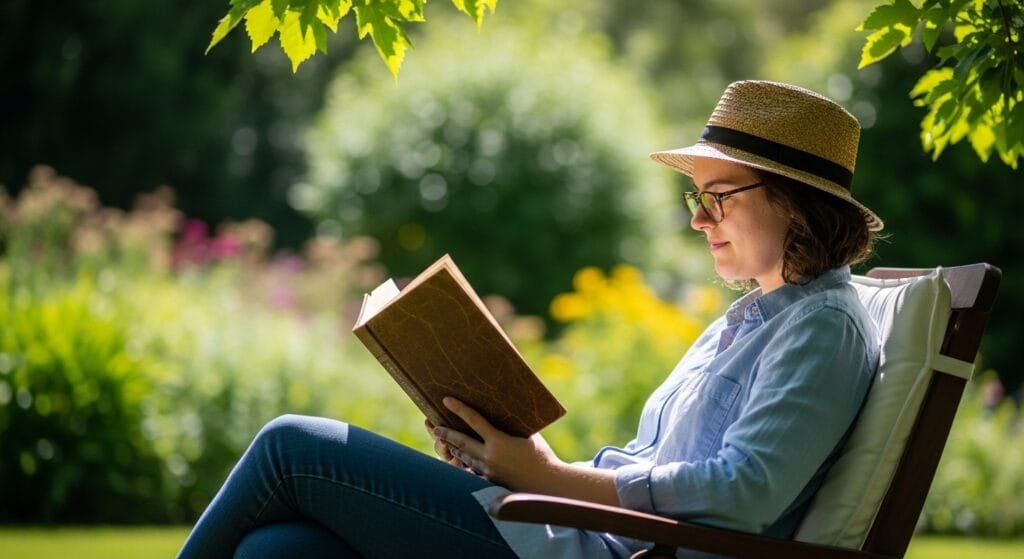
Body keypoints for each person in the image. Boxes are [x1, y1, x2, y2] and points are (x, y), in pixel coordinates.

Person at [177, 80, 883, 559]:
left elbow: (743, 493)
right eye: (694, 198)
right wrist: (512, 457)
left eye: (718, 196)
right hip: (573, 526)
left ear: (794, 200)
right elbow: (664, 471)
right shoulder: (756, 315)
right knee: (275, 551)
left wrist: (549, 478)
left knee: (291, 444)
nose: (698, 219)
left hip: (597, 546)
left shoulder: (822, 326)